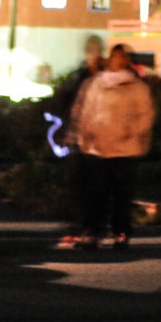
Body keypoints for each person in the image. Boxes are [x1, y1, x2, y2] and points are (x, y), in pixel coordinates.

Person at [66, 44, 155, 249]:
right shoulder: (96, 84)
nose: (118, 60)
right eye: (115, 56)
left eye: (123, 57)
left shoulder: (137, 87)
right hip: (98, 147)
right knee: (96, 193)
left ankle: (120, 232)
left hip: (125, 148)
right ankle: (92, 232)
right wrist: (85, 137)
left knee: (121, 195)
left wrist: (133, 132)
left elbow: (145, 115)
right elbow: (86, 111)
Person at [49, 35, 108, 247]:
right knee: (77, 187)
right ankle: (78, 226)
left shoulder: (104, 78)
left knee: (95, 187)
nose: (92, 55)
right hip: (76, 139)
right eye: (89, 50)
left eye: (95, 50)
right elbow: (67, 103)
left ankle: (93, 228)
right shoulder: (80, 77)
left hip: (98, 141)